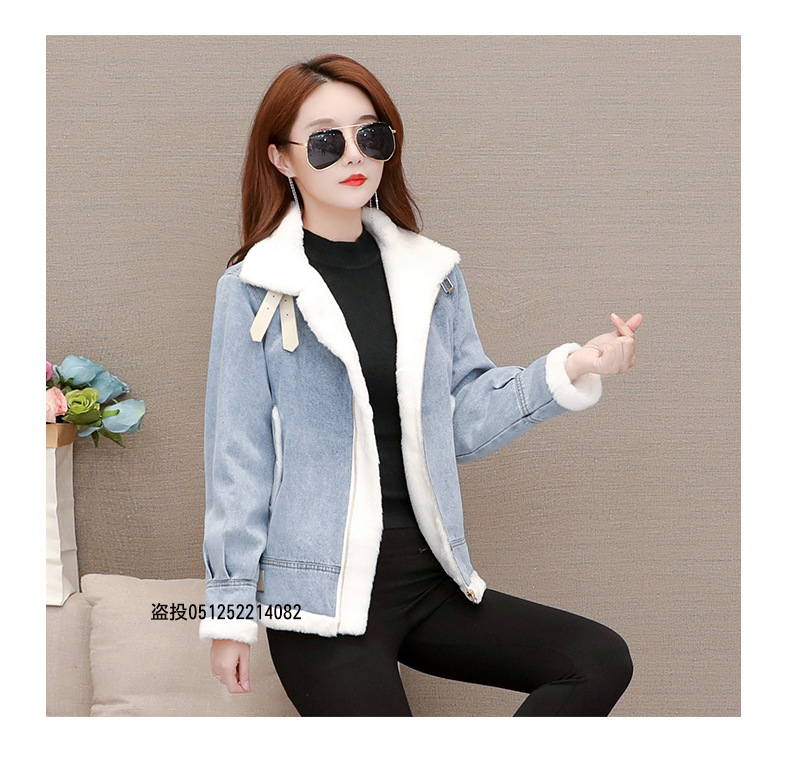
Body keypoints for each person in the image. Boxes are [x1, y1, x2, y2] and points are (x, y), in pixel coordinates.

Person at [200, 53, 641, 716]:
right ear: (282, 158)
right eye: (325, 141)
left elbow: (462, 418)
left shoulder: (432, 276)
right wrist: (230, 613)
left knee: (596, 660)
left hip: (429, 582)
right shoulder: (253, 291)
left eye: (370, 134)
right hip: (320, 602)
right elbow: (239, 460)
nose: (354, 154)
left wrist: (574, 367)